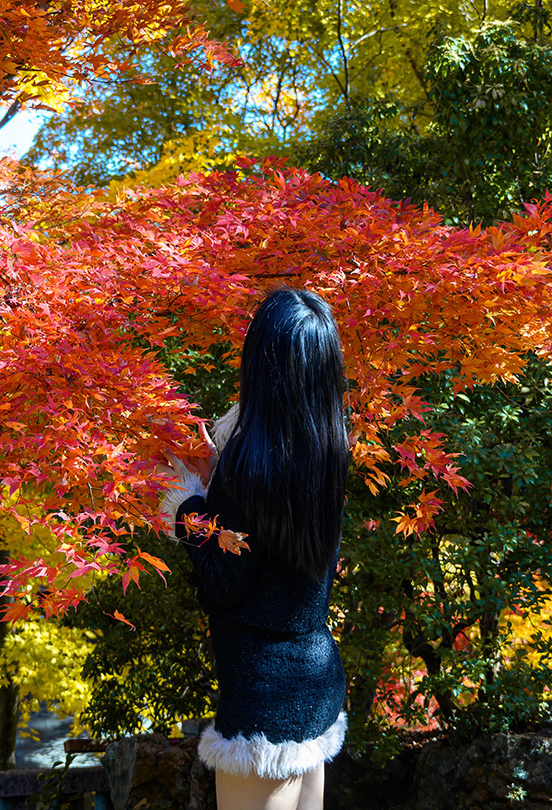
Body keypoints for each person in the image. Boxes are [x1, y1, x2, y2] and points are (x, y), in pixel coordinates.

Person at [157, 288, 350, 810]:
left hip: (263, 700)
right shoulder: (329, 451)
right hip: (313, 679)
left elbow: (224, 583)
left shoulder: (249, 463)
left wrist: (186, 506)